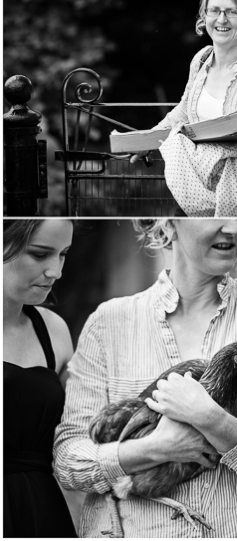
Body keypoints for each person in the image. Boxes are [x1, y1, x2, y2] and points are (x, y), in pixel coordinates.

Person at [53, 219, 237, 537]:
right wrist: (157, 447)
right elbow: (67, 462)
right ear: (168, 224)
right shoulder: (109, 322)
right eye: (212, 214)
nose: (232, 227)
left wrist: (215, 422)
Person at [130, 0, 237, 217]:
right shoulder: (201, 60)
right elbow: (183, 112)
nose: (221, 19)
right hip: (197, 194)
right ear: (204, 17)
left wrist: (211, 166)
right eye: (214, 11)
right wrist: (147, 140)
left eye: (232, 11)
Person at [4, 220, 77, 538]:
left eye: (62, 254)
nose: (56, 272)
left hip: (42, 511)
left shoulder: (54, 329)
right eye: (39, 253)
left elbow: (78, 435)